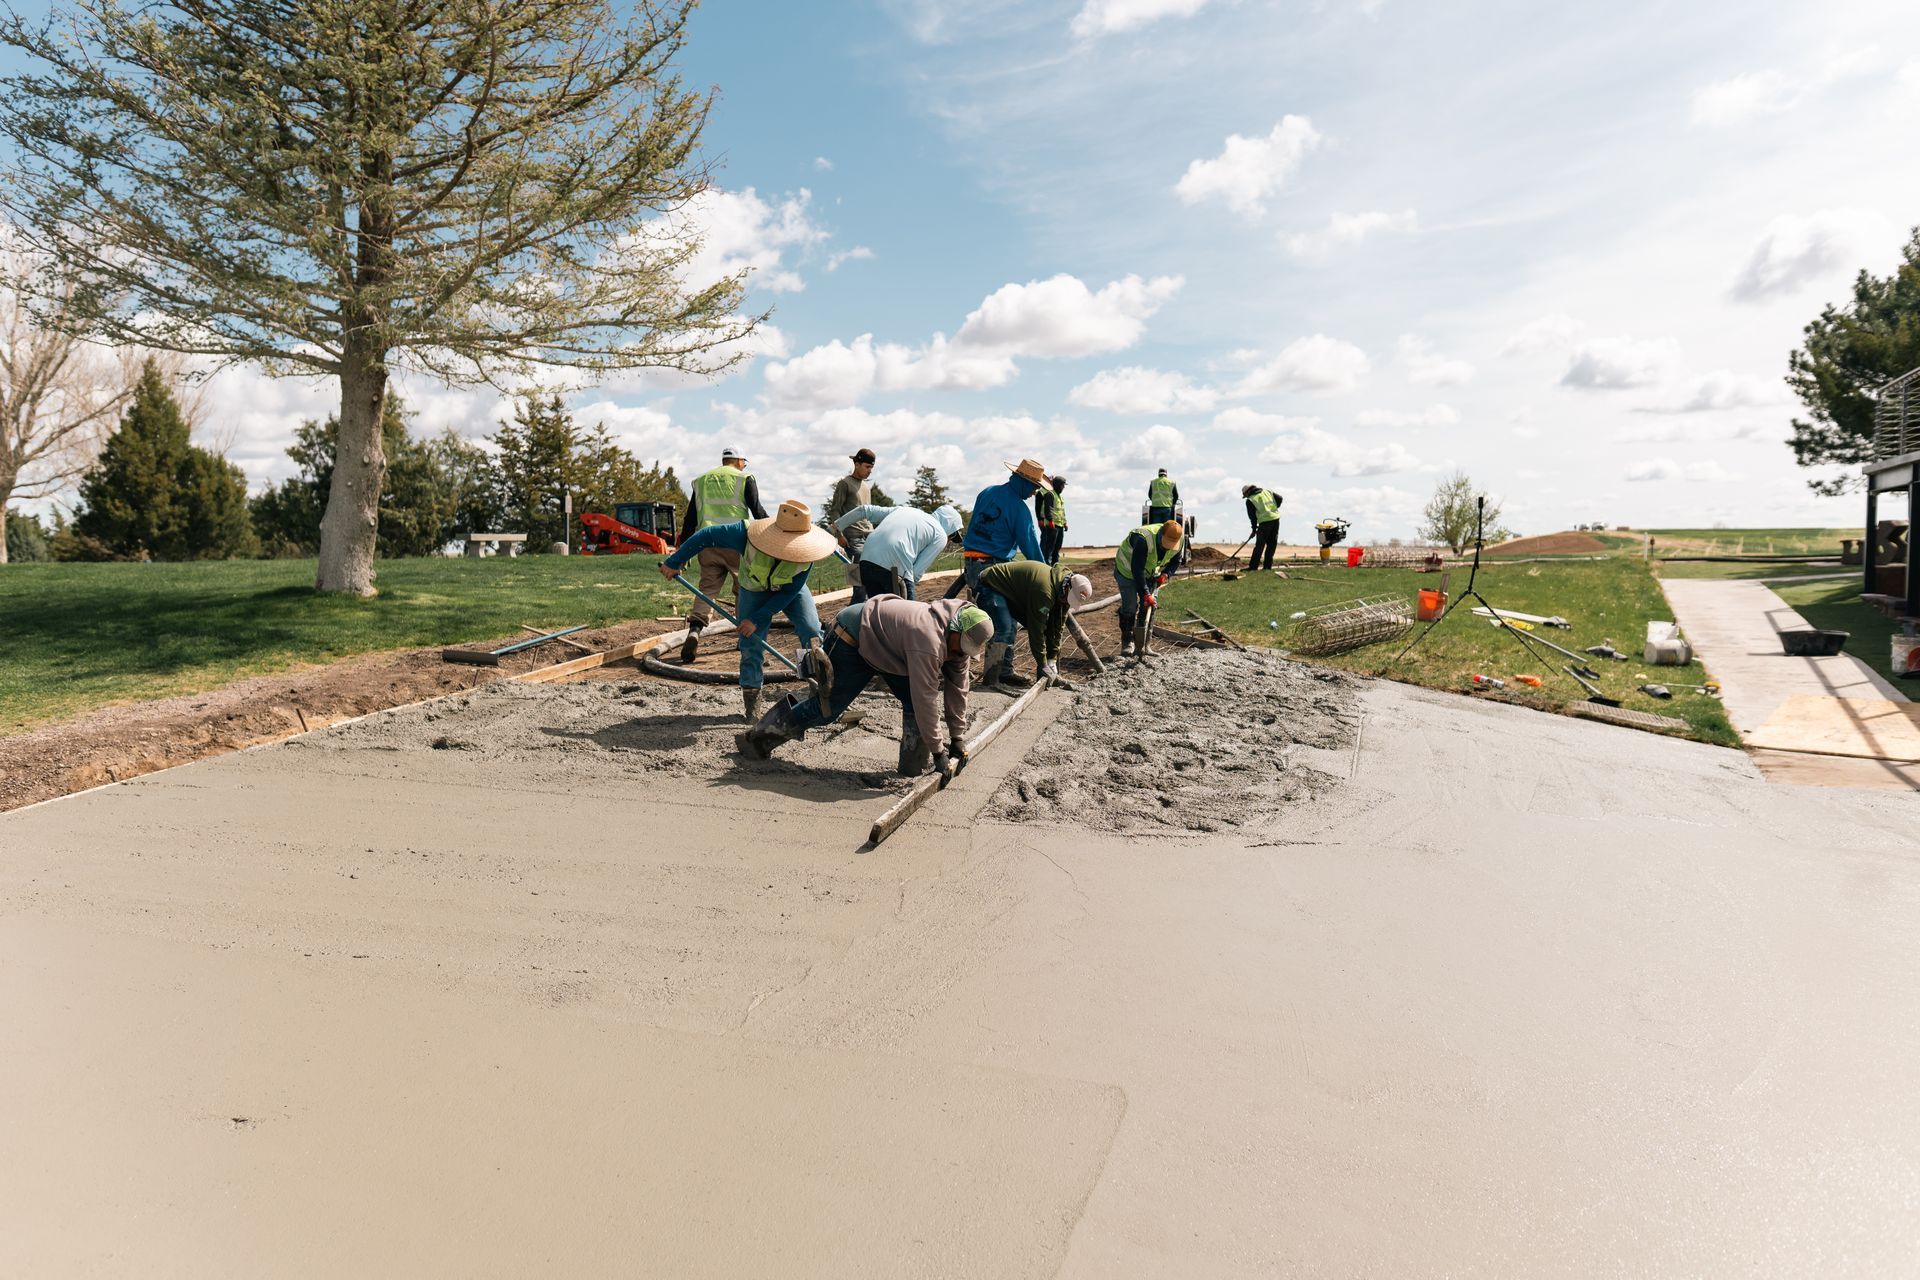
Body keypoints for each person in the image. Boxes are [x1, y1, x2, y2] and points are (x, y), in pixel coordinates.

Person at [738, 597, 993, 781]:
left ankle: (911, 769)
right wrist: (939, 751)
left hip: (890, 648)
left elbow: (958, 690)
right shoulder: (927, 640)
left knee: (914, 705)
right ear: (954, 630)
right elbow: (926, 696)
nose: (961, 653)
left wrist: (957, 738)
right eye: (961, 646)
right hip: (853, 635)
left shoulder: (960, 643)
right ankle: (757, 739)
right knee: (827, 710)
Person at [660, 499, 837, 723]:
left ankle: (818, 691)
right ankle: (752, 706)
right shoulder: (744, 533)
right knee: (751, 643)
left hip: (791, 590)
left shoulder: (807, 552)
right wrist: (675, 561)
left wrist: (757, 618)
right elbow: (705, 536)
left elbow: (789, 591)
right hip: (754, 589)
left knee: (812, 633)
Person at [678, 448, 768, 664]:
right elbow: (757, 511)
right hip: (737, 542)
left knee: (707, 589)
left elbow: (690, 518)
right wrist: (773, 534)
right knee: (744, 588)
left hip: (707, 542)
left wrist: (683, 550)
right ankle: (743, 639)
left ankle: (695, 630)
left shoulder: (701, 481)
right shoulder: (744, 478)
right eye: (744, 462)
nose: (745, 466)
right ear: (738, 461)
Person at [974, 560, 1094, 691]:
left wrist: (1052, 660)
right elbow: (1036, 630)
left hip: (1013, 591)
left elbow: (1057, 627)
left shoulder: (1064, 588)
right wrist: (1043, 665)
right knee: (1004, 628)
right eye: (1069, 598)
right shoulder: (1045, 591)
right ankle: (991, 680)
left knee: (1033, 628)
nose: (1067, 602)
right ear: (1067, 587)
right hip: (990, 585)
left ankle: (1004, 673)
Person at [951, 457, 1046, 603]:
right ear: (1025, 483)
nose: (1034, 493)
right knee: (1005, 622)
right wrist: (1047, 575)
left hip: (971, 564)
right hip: (992, 569)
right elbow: (1031, 548)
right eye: (1035, 487)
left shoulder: (987, 492)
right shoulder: (1019, 509)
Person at [834, 502, 962, 602]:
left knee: (878, 613)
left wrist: (836, 526)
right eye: (952, 537)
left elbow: (865, 510)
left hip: (866, 560)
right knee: (907, 620)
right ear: (950, 529)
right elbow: (916, 573)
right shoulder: (940, 535)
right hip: (894, 571)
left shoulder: (904, 510)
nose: (949, 540)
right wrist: (908, 592)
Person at [1115, 519, 1186, 658]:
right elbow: (1137, 569)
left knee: (1149, 607)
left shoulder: (1180, 539)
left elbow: (1176, 561)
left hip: (1151, 572)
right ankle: (1127, 642)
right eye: (1166, 544)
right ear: (1161, 534)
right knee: (1130, 606)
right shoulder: (1144, 539)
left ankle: (1144, 644)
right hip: (1127, 570)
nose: (1168, 548)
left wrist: (1166, 574)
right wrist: (1145, 594)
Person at [827, 448, 878, 602]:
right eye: (867, 467)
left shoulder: (866, 486)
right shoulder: (845, 484)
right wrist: (839, 535)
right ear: (857, 464)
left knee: (873, 578)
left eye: (872, 468)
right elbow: (835, 511)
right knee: (859, 582)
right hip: (853, 539)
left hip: (870, 537)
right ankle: (850, 619)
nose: (870, 471)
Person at [1242, 483, 1283, 572]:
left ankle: (1253, 567)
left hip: (1264, 523)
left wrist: (1254, 529)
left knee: (1259, 546)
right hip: (1275, 519)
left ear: (1248, 491)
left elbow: (1252, 517)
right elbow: (1280, 498)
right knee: (1272, 545)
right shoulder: (1267, 492)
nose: (1246, 497)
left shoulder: (1250, 500)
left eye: (1245, 495)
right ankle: (1267, 567)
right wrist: (1274, 508)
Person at [1033, 475, 1068, 566]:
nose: (1063, 487)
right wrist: (1041, 519)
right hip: (1049, 523)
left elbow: (1061, 510)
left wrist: (1065, 522)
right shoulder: (1044, 493)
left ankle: (1054, 564)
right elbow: (1041, 508)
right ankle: (1044, 564)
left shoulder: (1059, 496)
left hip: (1059, 524)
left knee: (1056, 546)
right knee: (1047, 545)